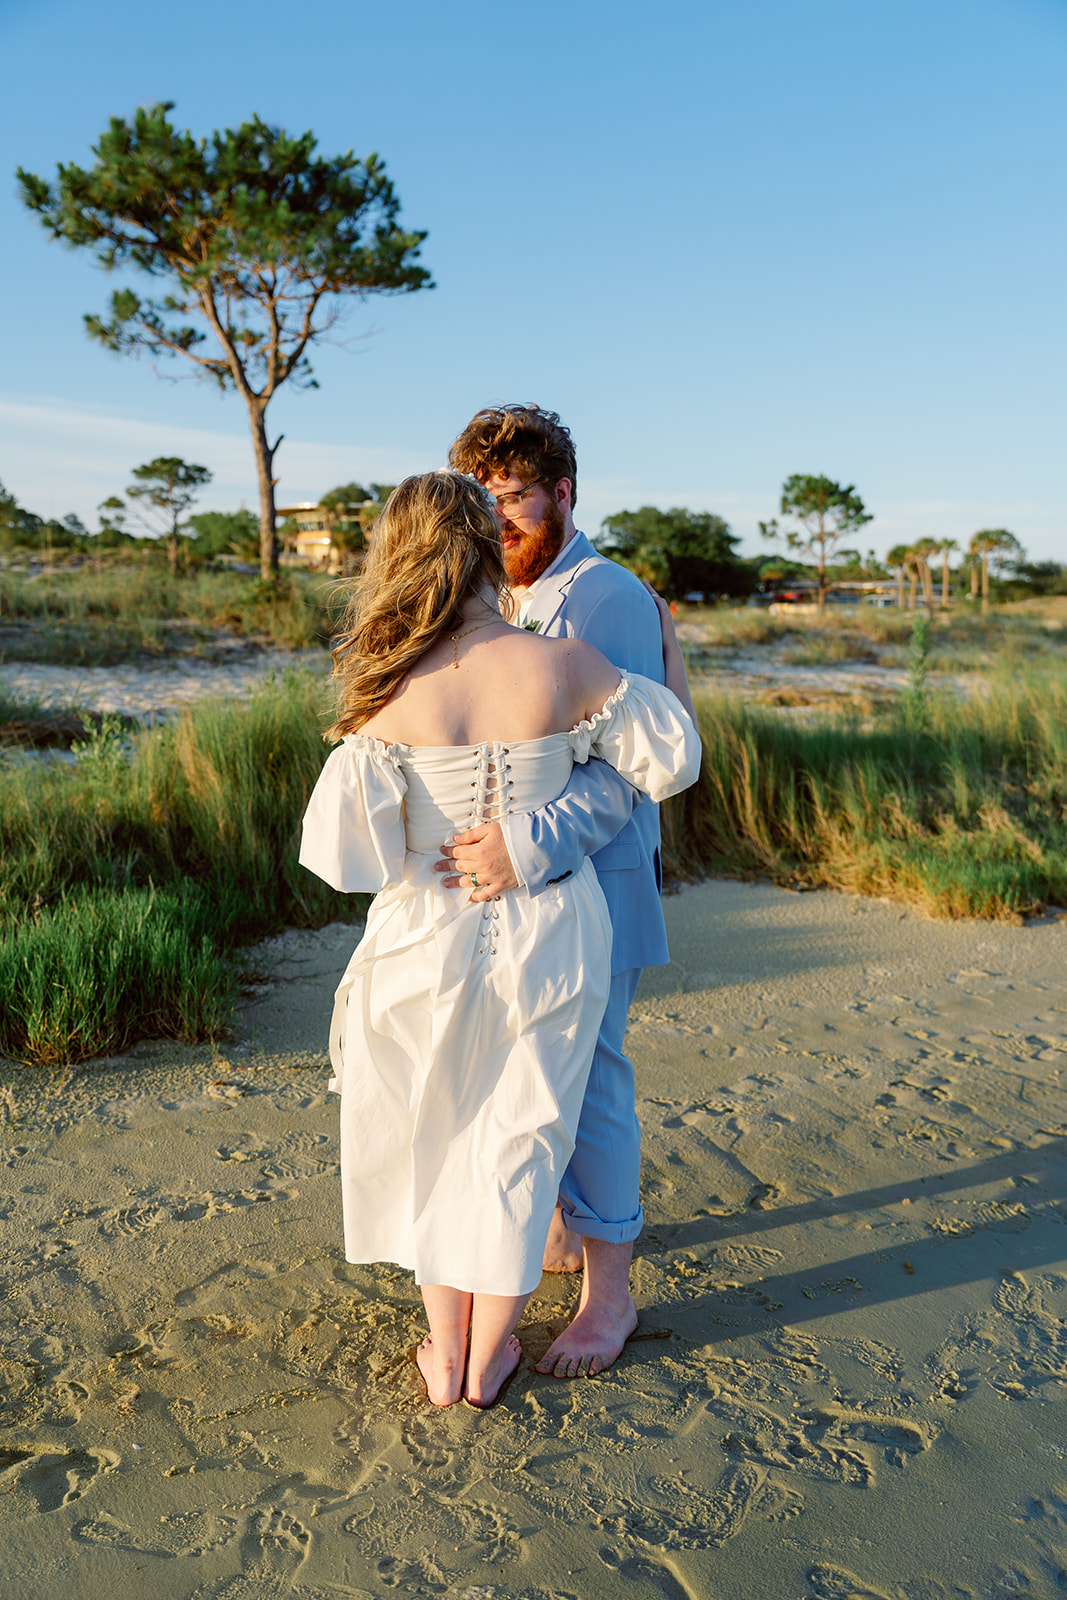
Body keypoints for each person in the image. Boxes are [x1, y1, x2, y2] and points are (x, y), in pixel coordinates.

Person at [299, 470, 699, 1408]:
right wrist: (668, 650)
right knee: (524, 1132)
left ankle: (447, 1356)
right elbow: (671, 758)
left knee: (434, 1130)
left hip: (421, 936)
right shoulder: (560, 665)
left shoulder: (380, 685)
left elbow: (347, 860)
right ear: (487, 547)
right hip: (547, 930)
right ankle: (491, 1355)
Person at [443, 406, 694, 1379]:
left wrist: (524, 845)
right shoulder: (497, 594)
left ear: (563, 492)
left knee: (592, 1080)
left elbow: (632, 761)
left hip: (598, 873)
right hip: (519, 891)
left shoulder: (605, 597)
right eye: (482, 502)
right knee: (532, 1069)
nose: (497, 520)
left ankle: (610, 1296)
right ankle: (560, 1225)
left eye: (513, 498)